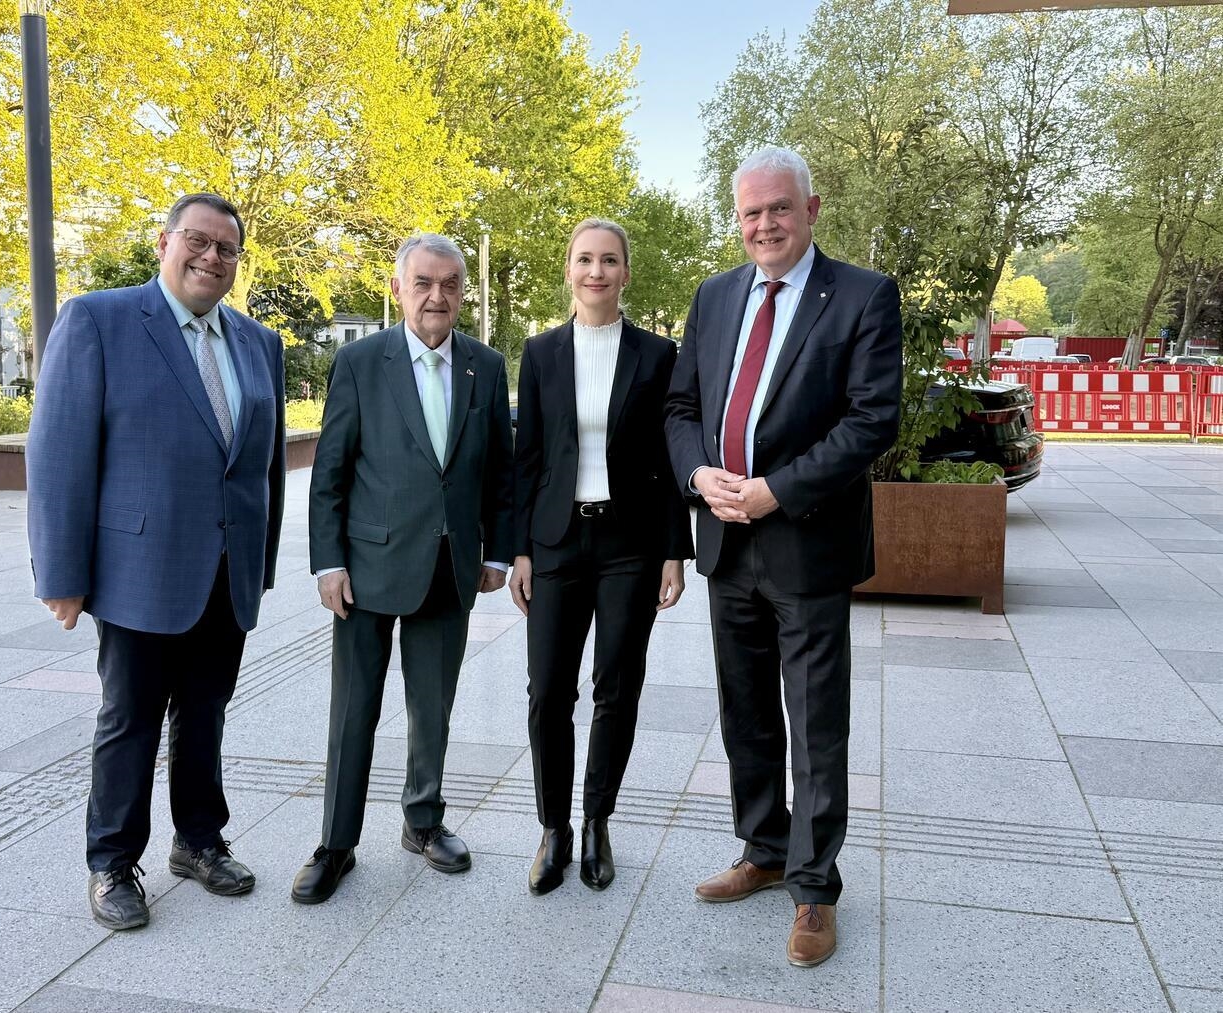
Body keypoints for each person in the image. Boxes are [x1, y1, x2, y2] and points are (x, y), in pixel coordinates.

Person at [664, 147, 902, 967]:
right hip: (725, 539)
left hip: (805, 540)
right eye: (750, 212)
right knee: (746, 713)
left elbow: (872, 421)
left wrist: (775, 489)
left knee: (816, 723)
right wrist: (698, 472)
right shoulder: (715, 294)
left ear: (812, 208)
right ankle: (762, 851)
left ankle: (814, 886)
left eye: (778, 208)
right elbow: (683, 405)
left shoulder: (864, 295)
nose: (763, 224)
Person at [27, 193, 286, 931]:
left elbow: (260, 466)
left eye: (227, 249)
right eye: (197, 242)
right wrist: (62, 573)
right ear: (164, 243)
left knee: (205, 711)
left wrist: (258, 563)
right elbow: (60, 452)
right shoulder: (99, 319)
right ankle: (111, 862)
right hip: (139, 568)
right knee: (130, 716)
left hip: (225, 569)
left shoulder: (257, 341)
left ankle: (198, 840)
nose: (211, 257)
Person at [291, 233, 514, 904]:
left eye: (449, 283)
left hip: (451, 568)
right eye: (423, 282)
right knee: (354, 709)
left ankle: (423, 820)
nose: (436, 296)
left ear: (462, 291)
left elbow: (500, 472)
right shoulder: (360, 362)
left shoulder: (486, 365)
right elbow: (329, 473)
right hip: (367, 566)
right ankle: (336, 843)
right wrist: (327, 561)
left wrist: (498, 550)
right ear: (399, 289)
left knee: (433, 708)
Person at [509, 218, 693, 895]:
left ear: (625, 272)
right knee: (548, 691)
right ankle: (553, 827)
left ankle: (596, 822)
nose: (597, 271)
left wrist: (675, 551)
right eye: (585, 259)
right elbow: (528, 457)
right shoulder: (540, 352)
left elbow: (670, 460)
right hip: (556, 543)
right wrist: (521, 549)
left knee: (618, 687)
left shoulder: (656, 354)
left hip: (629, 546)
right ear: (568, 270)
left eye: (609, 260)